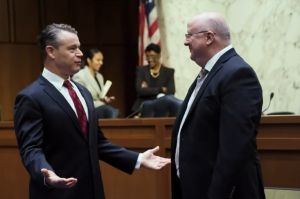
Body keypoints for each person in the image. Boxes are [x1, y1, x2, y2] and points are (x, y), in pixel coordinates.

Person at [14, 23, 170, 199]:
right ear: (51, 52)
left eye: (79, 48)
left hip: (93, 191)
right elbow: (31, 149)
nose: (80, 54)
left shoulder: (83, 92)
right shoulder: (31, 97)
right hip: (56, 193)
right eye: (73, 49)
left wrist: (137, 159)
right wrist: (45, 173)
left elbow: (97, 143)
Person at [171, 12, 266, 199]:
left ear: (209, 37)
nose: (185, 41)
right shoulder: (211, 72)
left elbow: (234, 150)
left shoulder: (237, 74)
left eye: (189, 35)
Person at [131, 43, 182, 117]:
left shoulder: (168, 72)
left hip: (162, 108)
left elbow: (171, 91)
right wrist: (160, 89)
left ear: (159, 56)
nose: (149, 59)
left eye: (152, 56)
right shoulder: (141, 70)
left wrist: (148, 90)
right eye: (147, 56)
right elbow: (140, 90)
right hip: (143, 107)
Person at [72, 48, 118, 118]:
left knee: (114, 111)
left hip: (100, 107)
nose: (101, 63)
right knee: (109, 111)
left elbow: (99, 96)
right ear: (89, 60)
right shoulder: (79, 75)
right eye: (98, 60)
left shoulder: (100, 76)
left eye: (102, 60)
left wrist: (105, 99)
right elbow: (80, 99)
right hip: (88, 109)